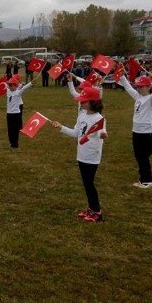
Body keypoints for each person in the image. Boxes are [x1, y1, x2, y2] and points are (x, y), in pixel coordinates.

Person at [51, 87, 108, 222]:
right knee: (86, 183)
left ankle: (97, 212)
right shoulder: (82, 115)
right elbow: (76, 133)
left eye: (84, 101)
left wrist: (102, 134)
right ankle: (91, 208)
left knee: (89, 183)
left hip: (92, 156)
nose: (81, 103)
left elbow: (101, 131)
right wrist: (61, 127)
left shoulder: (99, 118)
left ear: (93, 102)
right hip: (81, 154)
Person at [119, 73, 152, 188]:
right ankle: (144, 177)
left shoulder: (151, 98)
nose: (139, 88)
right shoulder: (138, 97)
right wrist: (122, 76)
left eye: (141, 86)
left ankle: (147, 180)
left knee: (143, 156)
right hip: (136, 130)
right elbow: (128, 87)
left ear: (148, 87)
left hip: (146, 131)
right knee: (139, 156)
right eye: (138, 86)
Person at [5, 74, 33, 148]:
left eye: (12, 85)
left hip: (16, 114)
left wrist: (31, 83)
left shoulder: (18, 93)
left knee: (15, 130)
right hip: (9, 114)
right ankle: (11, 143)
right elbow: (4, 85)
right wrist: (0, 80)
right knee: (10, 130)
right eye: (9, 85)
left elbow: (24, 88)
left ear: (16, 86)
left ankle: (15, 144)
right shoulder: (8, 91)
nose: (10, 87)